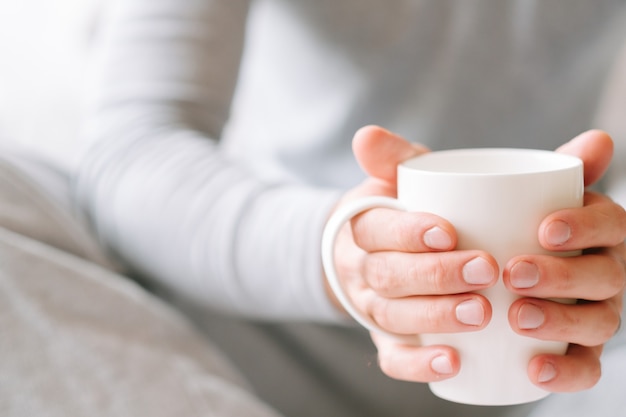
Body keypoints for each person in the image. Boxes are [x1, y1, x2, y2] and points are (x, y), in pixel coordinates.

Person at [21, 0, 621, 416]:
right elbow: (133, 151)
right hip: (245, 345)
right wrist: (337, 252)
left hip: (552, 371)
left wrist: (605, 258)